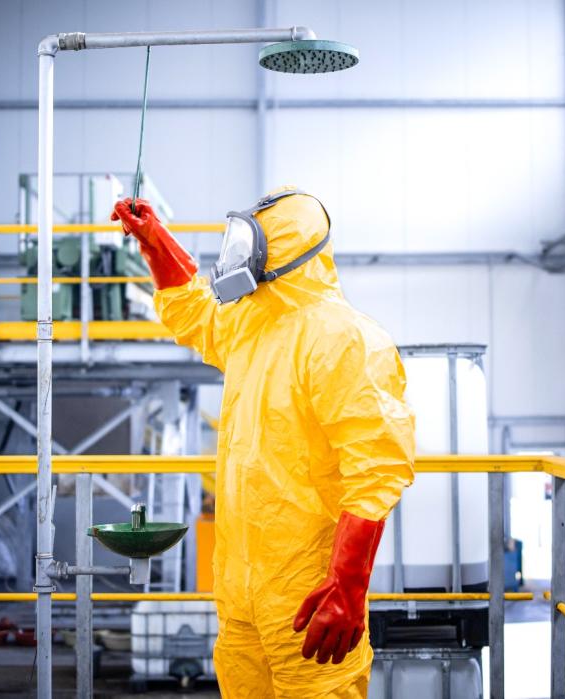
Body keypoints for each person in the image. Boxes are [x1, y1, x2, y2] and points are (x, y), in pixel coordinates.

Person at [112, 187, 415, 698]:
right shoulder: (254, 323)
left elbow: (377, 471)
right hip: (239, 598)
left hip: (309, 599)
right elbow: (193, 311)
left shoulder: (346, 339)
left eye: (250, 243)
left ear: (282, 250)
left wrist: (347, 586)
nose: (237, 254)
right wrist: (155, 241)